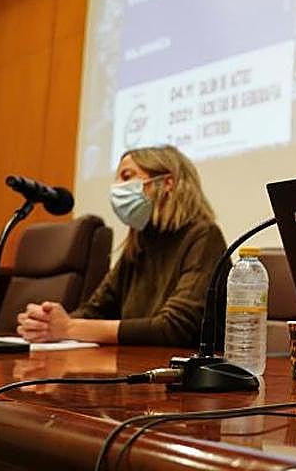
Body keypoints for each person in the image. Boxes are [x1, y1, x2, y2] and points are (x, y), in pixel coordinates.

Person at [16, 145, 227, 347]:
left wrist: (69, 327)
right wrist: (46, 325)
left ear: (167, 183)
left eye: (127, 177)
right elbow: (95, 310)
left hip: (182, 374)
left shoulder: (203, 236)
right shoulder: (140, 243)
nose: (117, 187)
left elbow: (174, 327)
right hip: (136, 367)